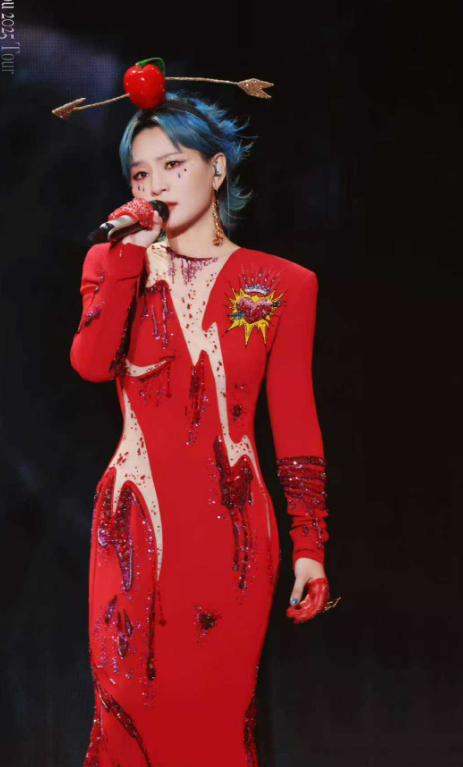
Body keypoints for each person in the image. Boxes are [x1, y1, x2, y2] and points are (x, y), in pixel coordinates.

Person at [70, 91, 334, 767]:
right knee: (124, 713)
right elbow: (92, 364)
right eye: (140, 173)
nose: (154, 185)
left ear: (216, 170)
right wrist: (127, 258)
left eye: (173, 165)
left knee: (213, 727)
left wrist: (309, 543)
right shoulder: (111, 263)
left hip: (232, 537)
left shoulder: (282, 282)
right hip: (133, 524)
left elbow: (294, 418)